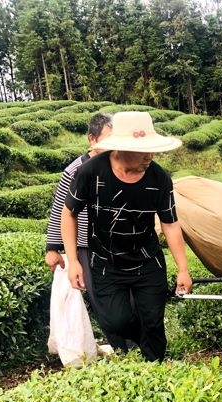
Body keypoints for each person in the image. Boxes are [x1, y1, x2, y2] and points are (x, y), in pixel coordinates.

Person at [62, 111, 192, 362]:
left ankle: (156, 369)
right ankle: (146, 343)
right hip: (106, 262)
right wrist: (73, 260)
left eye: (150, 151)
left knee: (153, 322)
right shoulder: (90, 172)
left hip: (147, 261)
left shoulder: (159, 178)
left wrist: (183, 268)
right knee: (115, 321)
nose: (149, 157)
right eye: (142, 151)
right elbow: (69, 214)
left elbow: (170, 224)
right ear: (120, 148)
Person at [45, 113, 133, 349]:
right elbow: (61, 211)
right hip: (87, 245)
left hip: (120, 243)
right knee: (101, 298)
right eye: (108, 139)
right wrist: (53, 248)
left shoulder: (121, 165)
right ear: (92, 139)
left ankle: (137, 345)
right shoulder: (76, 170)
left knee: (129, 294)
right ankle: (122, 349)